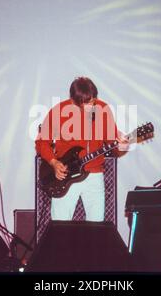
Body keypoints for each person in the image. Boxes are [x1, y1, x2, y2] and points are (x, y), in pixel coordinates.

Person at [35, 77, 129, 222]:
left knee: (97, 228)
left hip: (94, 175)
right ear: (73, 101)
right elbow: (42, 142)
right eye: (86, 103)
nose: (92, 106)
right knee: (60, 226)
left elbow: (115, 148)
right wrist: (54, 163)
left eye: (93, 100)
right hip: (65, 175)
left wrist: (122, 147)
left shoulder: (103, 110)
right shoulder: (58, 111)